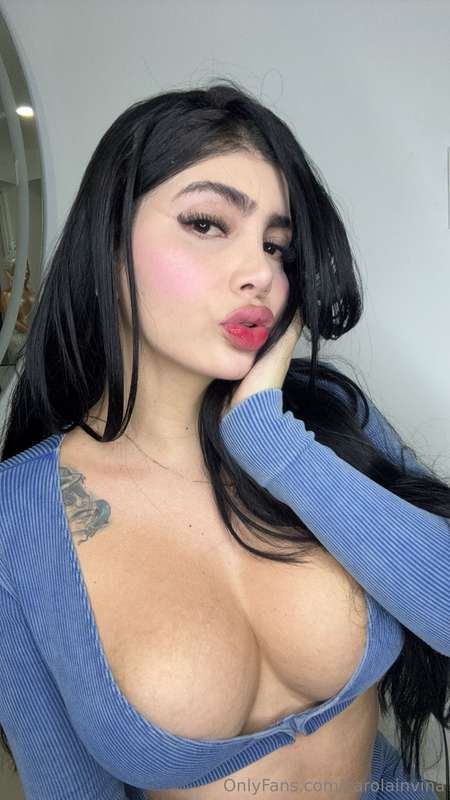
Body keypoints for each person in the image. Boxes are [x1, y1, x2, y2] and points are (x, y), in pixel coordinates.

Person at [0, 80, 449, 800]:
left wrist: (270, 440)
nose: (261, 273)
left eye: (277, 246)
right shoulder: (18, 516)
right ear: (108, 242)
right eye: (208, 223)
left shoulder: (323, 422)